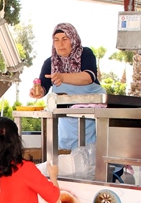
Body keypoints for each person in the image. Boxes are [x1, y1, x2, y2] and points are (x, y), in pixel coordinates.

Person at [29, 22, 106, 150]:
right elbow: (44, 86)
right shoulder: (50, 63)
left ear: (73, 39)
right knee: (70, 158)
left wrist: (63, 77)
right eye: (56, 40)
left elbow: (89, 77)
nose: (60, 44)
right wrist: (38, 92)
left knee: (94, 153)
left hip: (92, 117)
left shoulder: (85, 54)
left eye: (65, 39)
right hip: (67, 121)